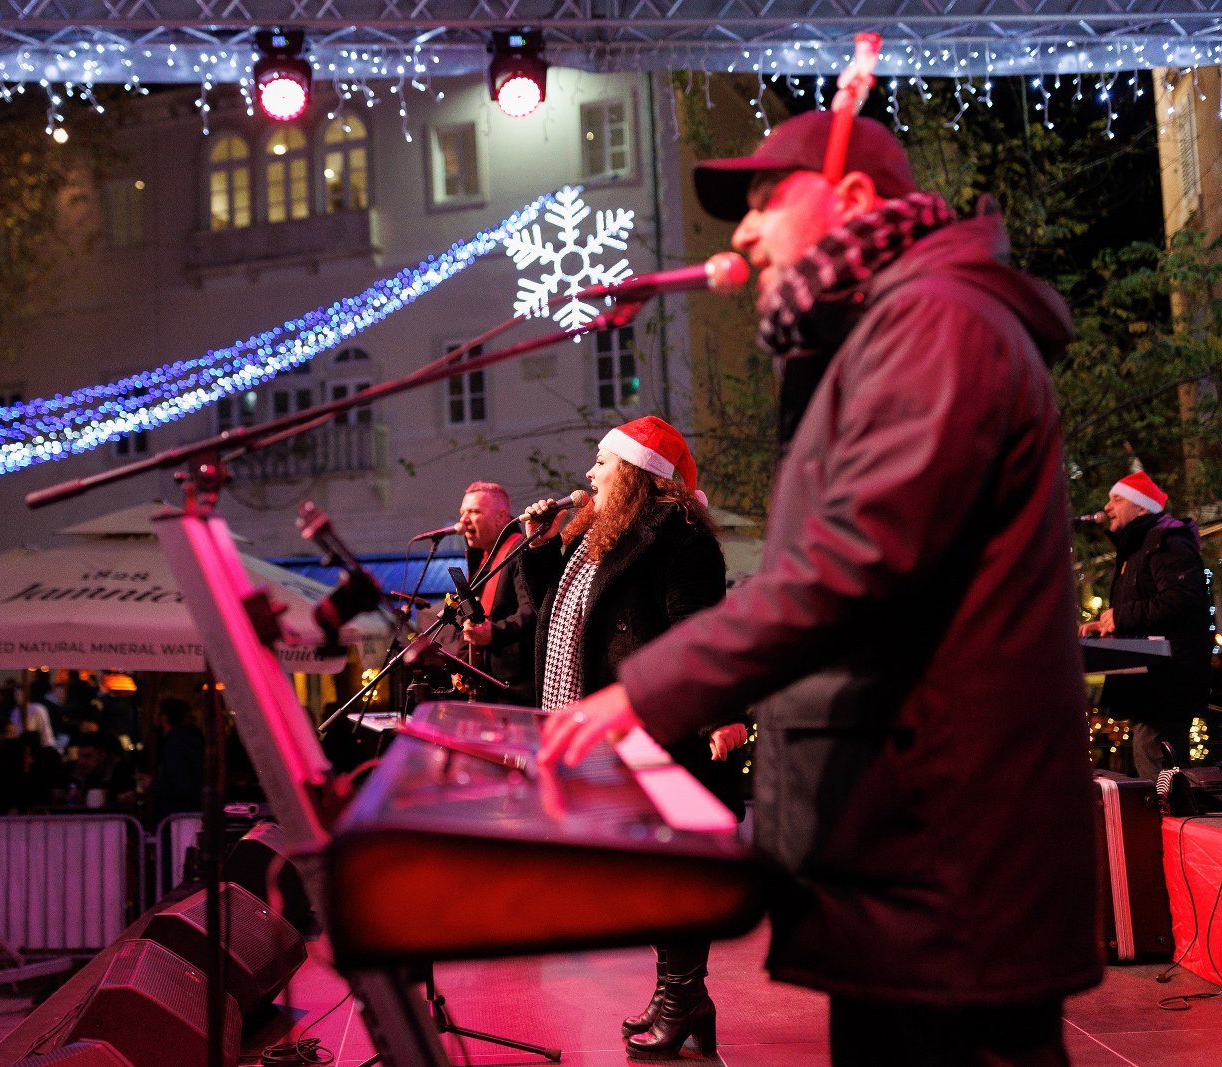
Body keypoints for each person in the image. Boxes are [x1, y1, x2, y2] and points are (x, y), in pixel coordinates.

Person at [540, 111, 1102, 1064]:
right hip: (907, 845)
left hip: (949, 851)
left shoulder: (938, 323)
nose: (744, 231)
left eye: (766, 200)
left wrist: (638, 694)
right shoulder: (887, 330)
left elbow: (851, 567)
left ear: (852, 198)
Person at [521, 416, 748, 1060]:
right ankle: (678, 995)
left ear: (634, 472)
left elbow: (698, 634)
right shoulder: (601, 538)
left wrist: (719, 714)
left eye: (602, 461)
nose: (589, 473)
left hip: (658, 730)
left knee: (670, 869)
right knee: (648, 872)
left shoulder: (678, 539)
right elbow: (555, 619)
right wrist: (539, 548)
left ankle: (682, 999)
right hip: (613, 731)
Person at [1080, 470, 1212, 780]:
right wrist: (1110, 624)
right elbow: (1151, 606)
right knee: (1153, 769)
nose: (1107, 507)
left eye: (1117, 499)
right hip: (1152, 685)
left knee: (1158, 775)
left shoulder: (1167, 540)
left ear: (1141, 507)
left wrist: (1121, 616)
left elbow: (1181, 599)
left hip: (1166, 684)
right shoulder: (1141, 545)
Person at [456, 481, 536, 704]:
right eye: (462, 513)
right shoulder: (483, 559)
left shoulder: (521, 551)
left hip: (518, 692)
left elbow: (533, 612)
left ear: (501, 517)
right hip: (492, 687)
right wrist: (461, 663)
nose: (463, 521)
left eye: (474, 512)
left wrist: (495, 632)